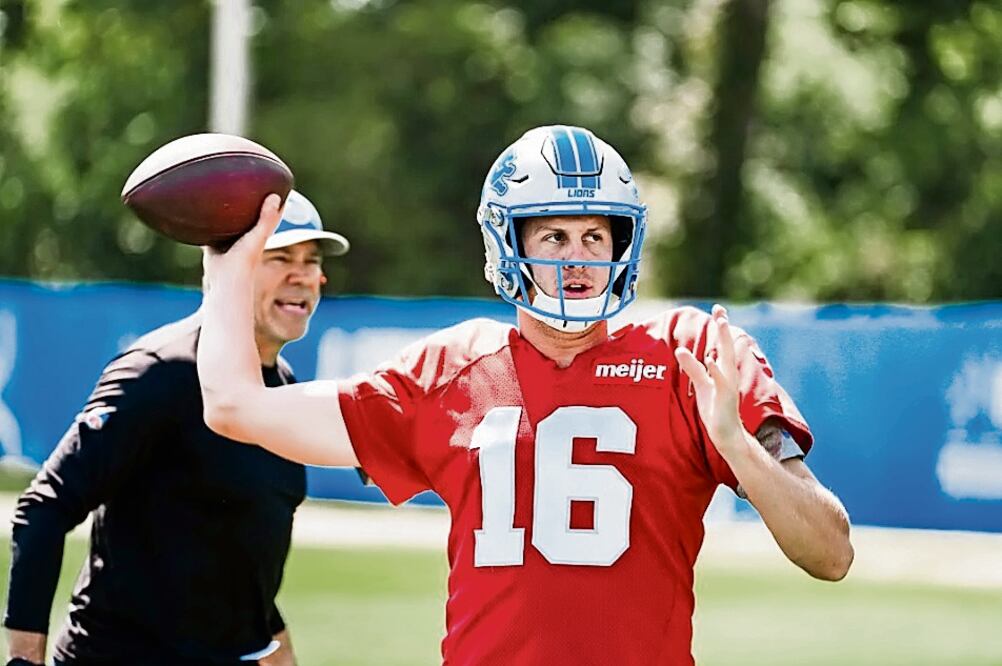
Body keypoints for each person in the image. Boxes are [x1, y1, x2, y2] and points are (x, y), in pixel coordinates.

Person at [197, 126, 853, 665]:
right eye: (554, 237)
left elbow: (831, 554)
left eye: (595, 236)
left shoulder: (693, 355)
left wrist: (737, 446)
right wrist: (226, 267)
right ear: (507, 245)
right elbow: (232, 406)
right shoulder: (450, 368)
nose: (578, 259)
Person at [3, 190, 349, 666]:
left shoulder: (280, 390)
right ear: (231, 266)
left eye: (311, 261)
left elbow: (232, 551)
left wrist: (275, 646)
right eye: (279, 257)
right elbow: (44, 507)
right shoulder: (160, 371)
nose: (302, 275)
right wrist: (25, 659)